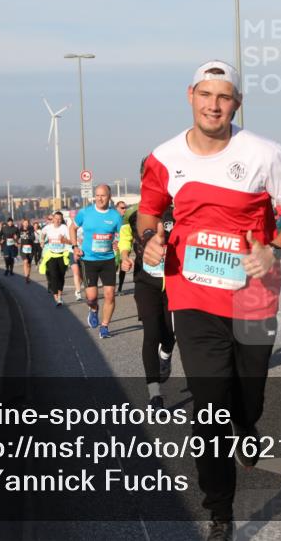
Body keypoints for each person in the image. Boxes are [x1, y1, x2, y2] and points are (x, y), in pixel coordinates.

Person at [139, 60, 281, 540]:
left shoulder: (264, 154)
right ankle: (219, 509)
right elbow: (149, 210)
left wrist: (275, 248)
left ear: (236, 104)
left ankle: (247, 421)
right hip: (192, 296)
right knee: (209, 407)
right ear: (190, 95)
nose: (213, 105)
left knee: (247, 396)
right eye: (205, 94)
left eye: (224, 97)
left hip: (252, 298)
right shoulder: (164, 156)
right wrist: (150, 238)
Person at [119, 170, 175, 410]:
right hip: (147, 282)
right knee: (151, 334)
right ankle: (155, 394)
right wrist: (123, 256)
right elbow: (124, 236)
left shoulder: (178, 210)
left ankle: (166, 355)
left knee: (170, 335)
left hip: (174, 281)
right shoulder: (135, 213)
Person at [71, 184, 125, 338]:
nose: (100, 198)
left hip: (108, 260)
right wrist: (75, 246)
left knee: (110, 295)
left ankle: (105, 326)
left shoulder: (115, 216)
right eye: (98, 195)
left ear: (109, 197)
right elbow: (72, 228)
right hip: (88, 260)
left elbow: (122, 235)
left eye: (103, 195)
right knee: (92, 297)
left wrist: (119, 243)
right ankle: (94, 309)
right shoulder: (85, 213)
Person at [39, 211, 72, 306]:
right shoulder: (48, 227)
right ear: (53, 219)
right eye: (56, 218)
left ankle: (60, 295)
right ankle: (56, 297)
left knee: (61, 276)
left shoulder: (65, 228)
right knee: (53, 275)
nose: (57, 221)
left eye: (59, 219)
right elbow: (42, 233)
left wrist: (64, 240)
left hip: (62, 255)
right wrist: (41, 241)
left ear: (62, 220)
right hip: (51, 255)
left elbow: (70, 241)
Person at [115, 200, 129, 295]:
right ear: (117, 208)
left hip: (124, 247)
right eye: (122, 208)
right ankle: (111, 287)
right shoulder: (113, 218)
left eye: (125, 208)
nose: (124, 210)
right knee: (113, 268)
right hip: (114, 247)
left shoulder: (127, 220)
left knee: (123, 267)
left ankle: (119, 288)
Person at [18, 218, 36, 284]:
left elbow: (33, 238)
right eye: (24, 223)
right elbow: (17, 237)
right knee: (25, 261)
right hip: (23, 248)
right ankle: (26, 277)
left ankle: (28, 276)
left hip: (30, 248)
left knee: (29, 263)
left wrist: (28, 235)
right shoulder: (20, 230)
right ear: (22, 223)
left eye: (27, 223)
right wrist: (16, 240)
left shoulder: (31, 230)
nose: (26, 224)